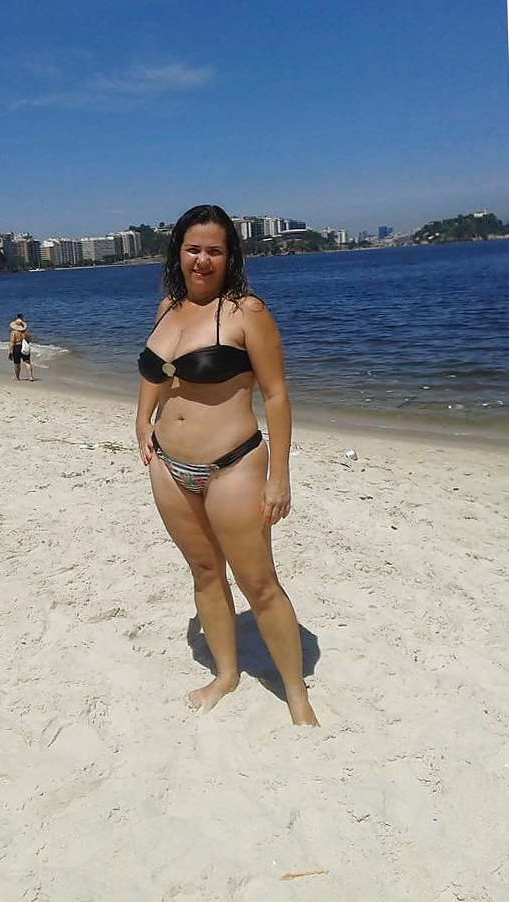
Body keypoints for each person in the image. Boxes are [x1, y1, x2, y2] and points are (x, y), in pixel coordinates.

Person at [136, 204, 318, 726]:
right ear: (178, 253)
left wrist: (279, 476)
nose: (203, 260)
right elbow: (155, 372)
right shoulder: (167, 307)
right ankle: (226, 674)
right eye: (193, 249)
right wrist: (142, 420)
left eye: (214, 250)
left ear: (230, 256)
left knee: (258, 583)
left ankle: (296, 695)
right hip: (169, 466)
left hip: (233, 466)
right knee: (204, 571)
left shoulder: (247, 312)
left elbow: (276, 395)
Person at [8, 314, 34, 381]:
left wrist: (10, 351)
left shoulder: (14, 332)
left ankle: (17, 377)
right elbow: (29, 340)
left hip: (17, 347)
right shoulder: (25, 332)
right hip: (25, 347)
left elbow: (12, 342)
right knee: (27, 362)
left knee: (17, 364)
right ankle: (31, 376)